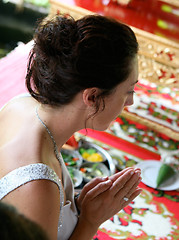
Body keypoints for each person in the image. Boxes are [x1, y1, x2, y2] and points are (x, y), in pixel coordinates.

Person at [0, 14, 142, 240]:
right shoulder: (38, 186)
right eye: (129, 91)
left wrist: (77, 206)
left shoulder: (21, 105)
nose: (130, 102)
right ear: (93, 97)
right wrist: (90, 221)